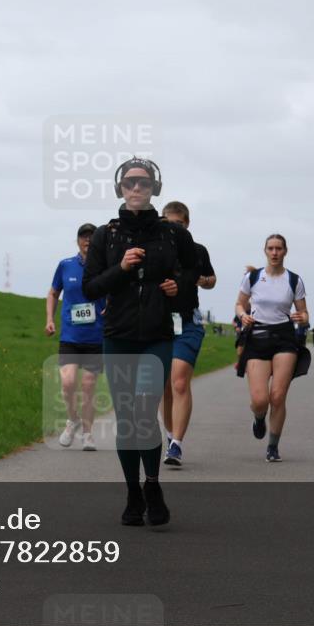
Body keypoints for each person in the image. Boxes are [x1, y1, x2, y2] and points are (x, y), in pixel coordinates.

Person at [83, 157, 197, 527]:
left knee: (145, 413)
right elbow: (90, 287)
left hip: (157, 337)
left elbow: (195, 271)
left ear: (154, 189)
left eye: (144, 183)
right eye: (130, 183)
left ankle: (153, 484)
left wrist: (177, 286)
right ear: (120, 189)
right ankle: (133, 490)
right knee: (127, 419)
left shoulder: (173, 234)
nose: (136, 189)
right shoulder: (106, 235)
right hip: (117, 336)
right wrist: (122, 268)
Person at [234, 234, 308, 463]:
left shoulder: (294, 280)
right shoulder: (253, 277)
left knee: (278, 396)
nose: (274, 252)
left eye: (279, 248)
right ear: (265, 251)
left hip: (285, 338)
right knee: (260, 400)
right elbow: (239, 304)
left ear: (285, 251)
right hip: (257, 338)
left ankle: (273, 446)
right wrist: (243, 315)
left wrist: (302, 318)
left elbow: (304, 314)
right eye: (271, 248)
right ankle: (258, 417)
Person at [159, 201, 216, 467]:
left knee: (179, 381)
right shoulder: (154, 249)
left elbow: (211, 279)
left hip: (187, 322)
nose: (173, 229)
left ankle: (177, 445)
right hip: (157, 323)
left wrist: (202, 281)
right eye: (168, 223)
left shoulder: (196, 250)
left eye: (178, 224)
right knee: (165, 387)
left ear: (187, 224)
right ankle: (170, 436)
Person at [45, 223, 106, 451]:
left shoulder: (105, 266)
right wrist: (49, 319)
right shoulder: (65, 265)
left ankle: (88, 435)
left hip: (96, 336)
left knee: (89, 385)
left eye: (92, 236)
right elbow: (53, 293)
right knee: (68, 383)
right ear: (77, 240)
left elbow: (115, 293)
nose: (88, 240)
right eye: (83, 236)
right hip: (70, 335)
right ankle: (73, 420)